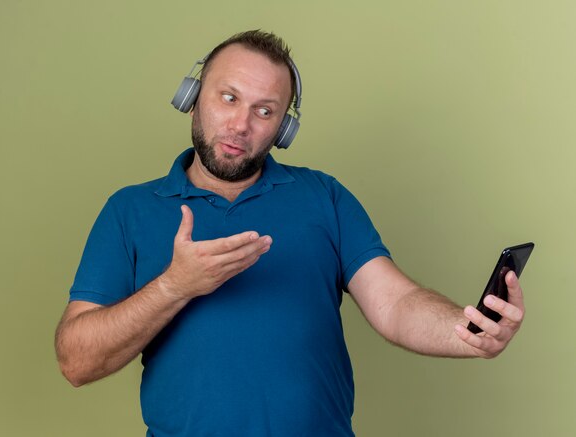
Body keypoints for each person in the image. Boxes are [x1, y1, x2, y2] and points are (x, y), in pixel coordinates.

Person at [55, 30, 525, 436]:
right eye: (229, 97)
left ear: (284, 127)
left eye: (265, 111)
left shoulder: (324, 197)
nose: (241, 124)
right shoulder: (129, 210)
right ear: (192, 96)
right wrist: (174, 287)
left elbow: (396, 304)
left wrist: (466, 330)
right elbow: (77, 362)